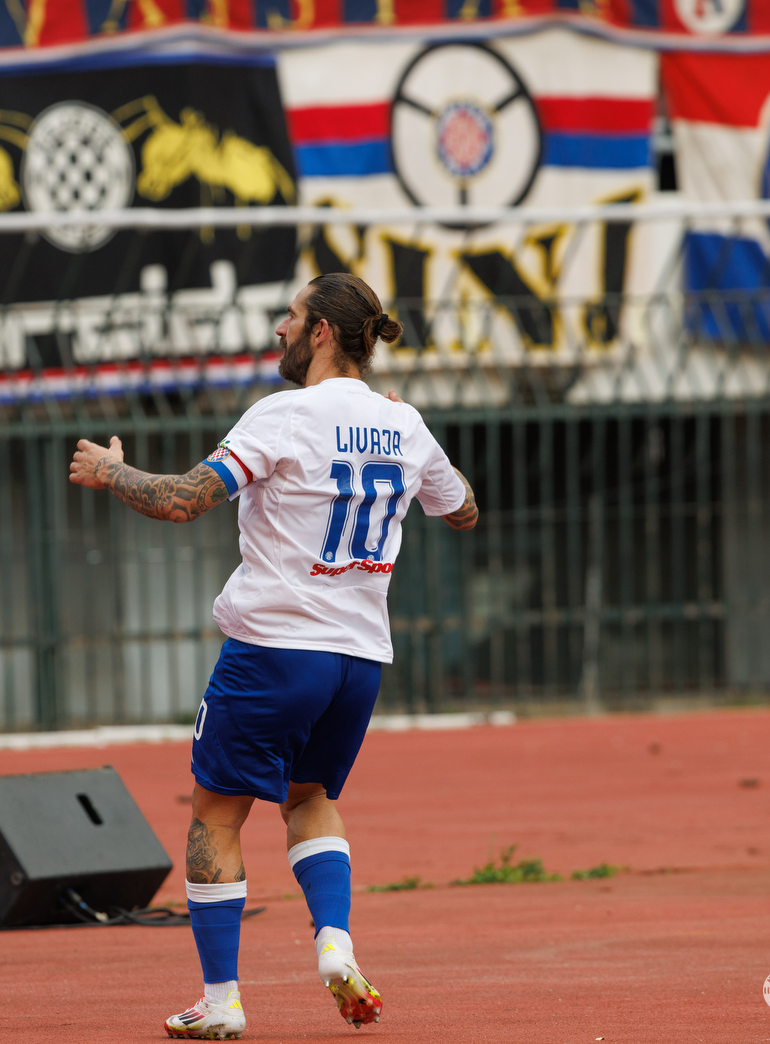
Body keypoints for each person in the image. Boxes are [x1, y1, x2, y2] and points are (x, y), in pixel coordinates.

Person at [68, 272, 479, 1040]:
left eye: (291, 317)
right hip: (357, 662)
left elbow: (186, 498)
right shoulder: (405, 423)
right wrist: (410, 445)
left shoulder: (285, 415)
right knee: (310, 799)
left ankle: (221, 1003)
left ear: (323, 330)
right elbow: (462, 511)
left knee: (215, 819)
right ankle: (335, 943)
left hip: (273, 651)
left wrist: (110, 471)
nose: (279, 331)